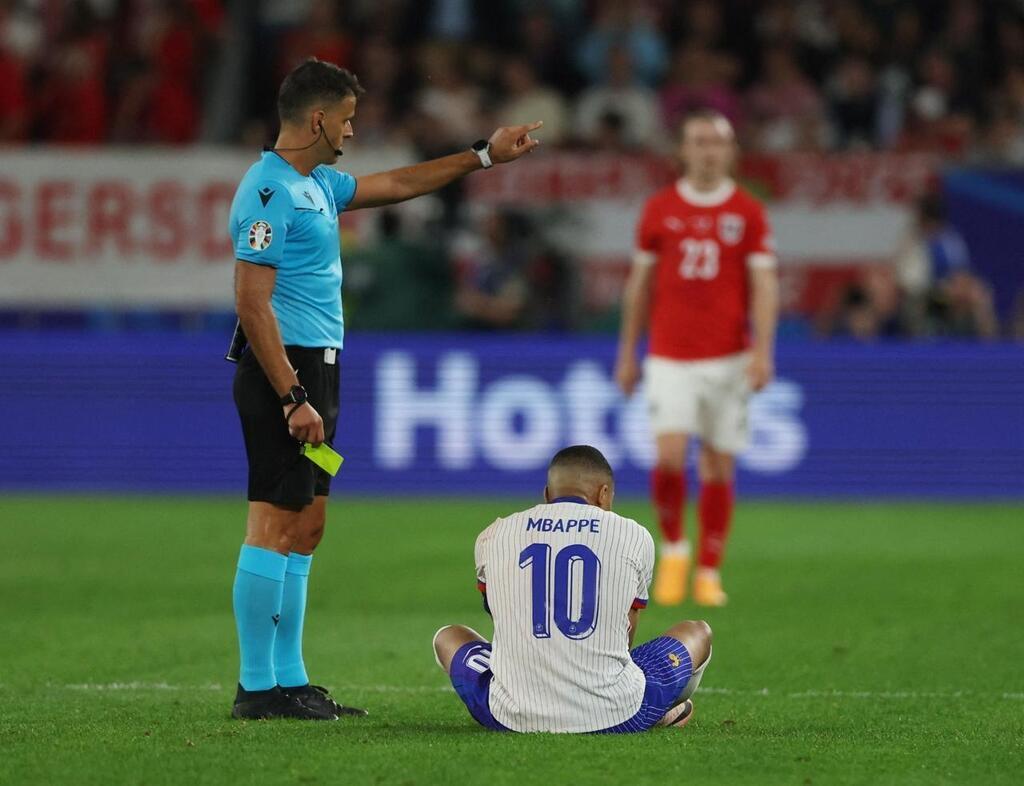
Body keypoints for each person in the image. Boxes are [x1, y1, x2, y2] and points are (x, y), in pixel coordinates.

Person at [228, 57, 542, 721]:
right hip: (284, 375)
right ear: (317, 117)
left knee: (308, 526)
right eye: (345, 118)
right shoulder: (266, 191)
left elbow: (399, 182)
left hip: (321, 372)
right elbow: (253, 305)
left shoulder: (315, 185)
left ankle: (291, 679)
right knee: (272, 522)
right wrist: (292, 396)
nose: (351, 130)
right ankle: (257, 688)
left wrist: (483, 156)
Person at [614, 109, 779, 607]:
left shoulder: (748, 211)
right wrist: (627, 352)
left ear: (731, 151)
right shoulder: (659, 209)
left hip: (729, 356)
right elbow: (639, 286)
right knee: (668, 456)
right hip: (669, 354)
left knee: (718, 465)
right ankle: (675, 550)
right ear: (682, 150)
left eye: (716, 142)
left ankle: (709, 570)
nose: (708, 150)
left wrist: (763, 351)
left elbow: (764, 285)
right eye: (698, 141)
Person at [433, 446, 713, 733]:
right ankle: (661, 711)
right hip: (616, 713)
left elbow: (501, 621)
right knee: (697, 632)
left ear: (546, 495)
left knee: (448, 637)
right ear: (604, 494)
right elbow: (626, 629)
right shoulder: (634, 535)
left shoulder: (493, 535)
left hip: (511, 714)